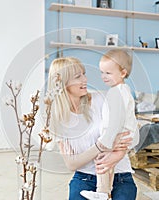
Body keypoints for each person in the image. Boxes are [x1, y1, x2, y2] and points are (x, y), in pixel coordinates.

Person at [47, 57, 137, 200]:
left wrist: (116, 152)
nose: (85, 79)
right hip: (84, 178)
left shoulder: (103, 100)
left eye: (84, 73)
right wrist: (102, 145)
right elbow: (71, 163)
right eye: (78, 76)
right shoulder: (58, 118)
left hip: (120, 175)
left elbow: (126, 135)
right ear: (63, 83)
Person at [80, 49, 139, 200]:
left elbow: (115, 121)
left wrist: (106, 141)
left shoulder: (116, 93)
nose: (103, 77)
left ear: (123, 73)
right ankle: (104, 192)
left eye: (108, 73)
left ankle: (102, 192)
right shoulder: (123, 90)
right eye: (102, 72)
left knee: (102, 159)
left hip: (116, 135)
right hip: (122, 134)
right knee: (108, 164)